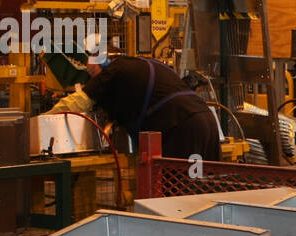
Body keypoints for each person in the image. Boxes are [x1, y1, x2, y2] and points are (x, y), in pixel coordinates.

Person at [45, 46, 221, 160]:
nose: (94, 80)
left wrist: (43, 120)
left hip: (182, 129)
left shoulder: (113, 72)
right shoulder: (140, 66)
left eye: (93, 74)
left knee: (178, 194)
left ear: (103, 65)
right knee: (206, 188)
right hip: (206, 121)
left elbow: (78, 102)